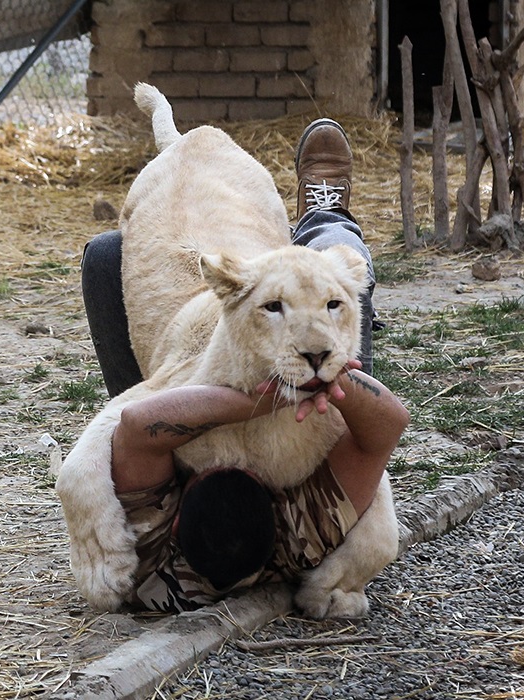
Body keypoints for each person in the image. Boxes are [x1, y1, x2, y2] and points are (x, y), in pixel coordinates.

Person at [80, 118, 408, 613]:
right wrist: (342, 373)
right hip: (249, 258)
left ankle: (315, 252)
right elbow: (382, 434)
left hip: (207, 307)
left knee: (105, 254)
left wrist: (244, 401)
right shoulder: (307, 534)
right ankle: (329, 217)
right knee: (336, 264)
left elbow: (133, 422)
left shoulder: (152, 573)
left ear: (176, 511)